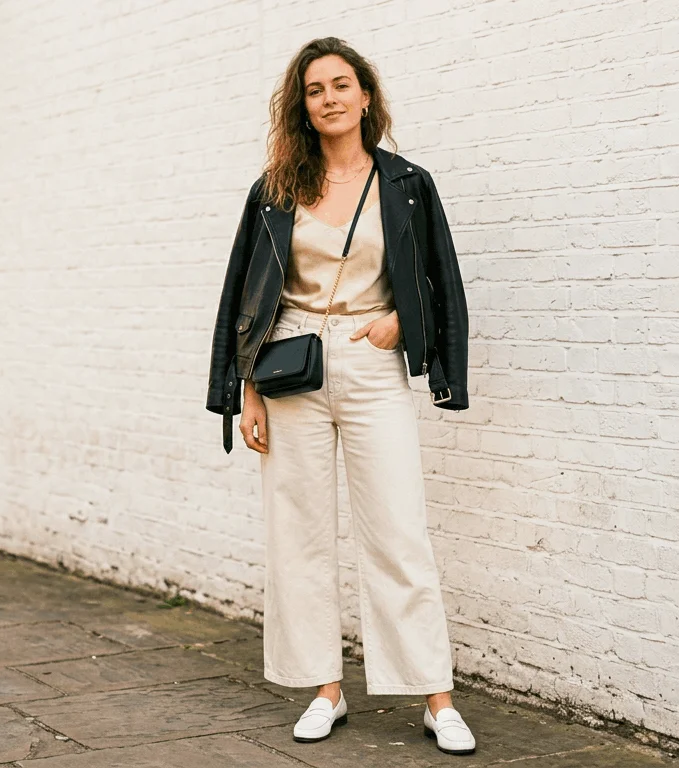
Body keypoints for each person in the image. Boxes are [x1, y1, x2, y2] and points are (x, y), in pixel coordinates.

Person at [205, 37, 473, 755]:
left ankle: (435, 697)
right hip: (291, 367)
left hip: (368, 360)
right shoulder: (276, 187)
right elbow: (245, 296)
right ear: (303, 105)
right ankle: (324, 689)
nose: (327, 98)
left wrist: (401, 323)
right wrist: (248, 392)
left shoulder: (407, 182)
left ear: (365, 96)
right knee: (299, 534)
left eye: (340, 84)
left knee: (398, 530)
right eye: (313, 89)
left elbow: (436, 279)